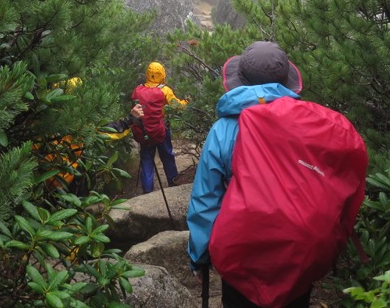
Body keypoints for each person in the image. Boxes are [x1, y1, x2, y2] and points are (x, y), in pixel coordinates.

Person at [186, 41, 310, 308]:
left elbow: (207, 198)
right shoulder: (308, 122)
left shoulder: (223, 130)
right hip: (297, 252)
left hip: (242, 252)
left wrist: (199, 255)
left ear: (239, 81)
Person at [132, 61, 188, 193]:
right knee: (167, 156)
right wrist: (187, 102)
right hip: (161, 129)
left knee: (146, 160)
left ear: (147, 74)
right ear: (162, 74)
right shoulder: (164, 90)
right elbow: (177, 105)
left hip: (144, 130)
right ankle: (173, 184)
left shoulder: (138, 89)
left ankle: (147, 192)